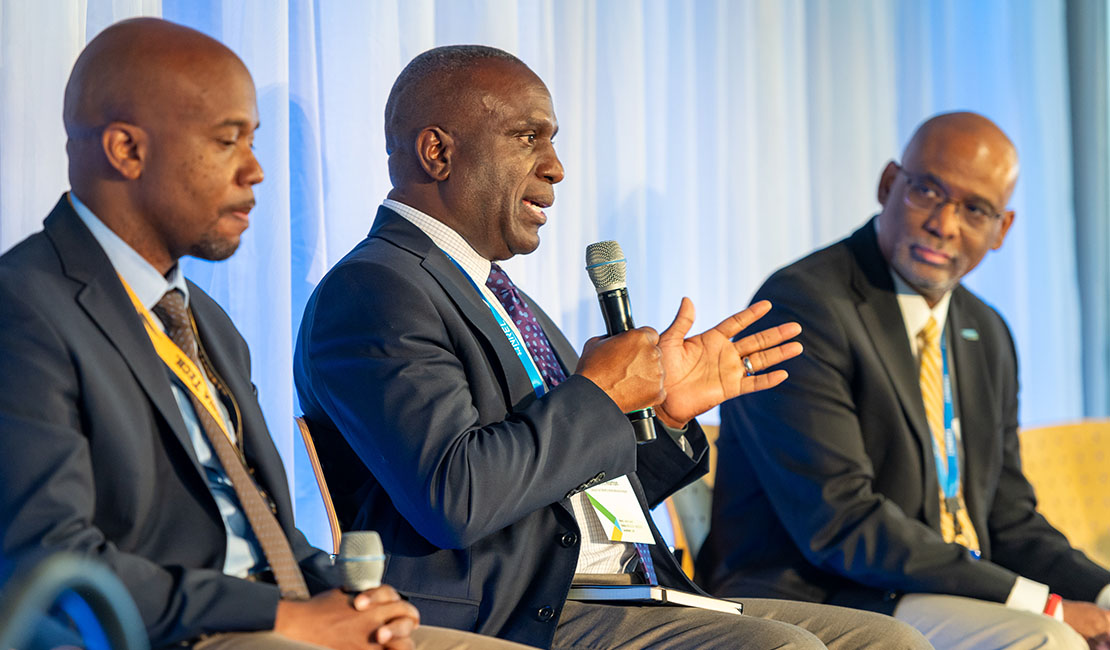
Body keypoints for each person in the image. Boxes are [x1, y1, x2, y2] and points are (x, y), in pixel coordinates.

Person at [294, 44, 931, 650]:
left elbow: (576, 493)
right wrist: (598, 394)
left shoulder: (496, 291)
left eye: (552, 141)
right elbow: (455, 498)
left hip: (611, 593)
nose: (555, 167)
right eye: (527, 138)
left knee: (889, 641)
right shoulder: (375, 290)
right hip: (510, 613)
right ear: (438, 152)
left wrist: (665, 416)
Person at [0, 18, 531, 650]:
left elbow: (265, 531)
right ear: (126, 150)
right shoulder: (25, 307)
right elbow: (48, 563)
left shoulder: (209, 324)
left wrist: (351, 598)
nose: (255, 170)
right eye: (228, 141)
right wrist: (283, 619)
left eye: (253, 142)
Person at [698, 111, 1110, 649]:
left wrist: (1101, 596)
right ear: (889, 184)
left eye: (975, 209)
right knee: (1045, 639)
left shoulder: (986, 332)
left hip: (942, 587)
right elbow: (841, 523)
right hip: (824, 591)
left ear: (1001, 229)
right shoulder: (804, 306)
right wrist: (1048, 605)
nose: (945, 223)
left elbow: (1008, 519)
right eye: (928, 192)